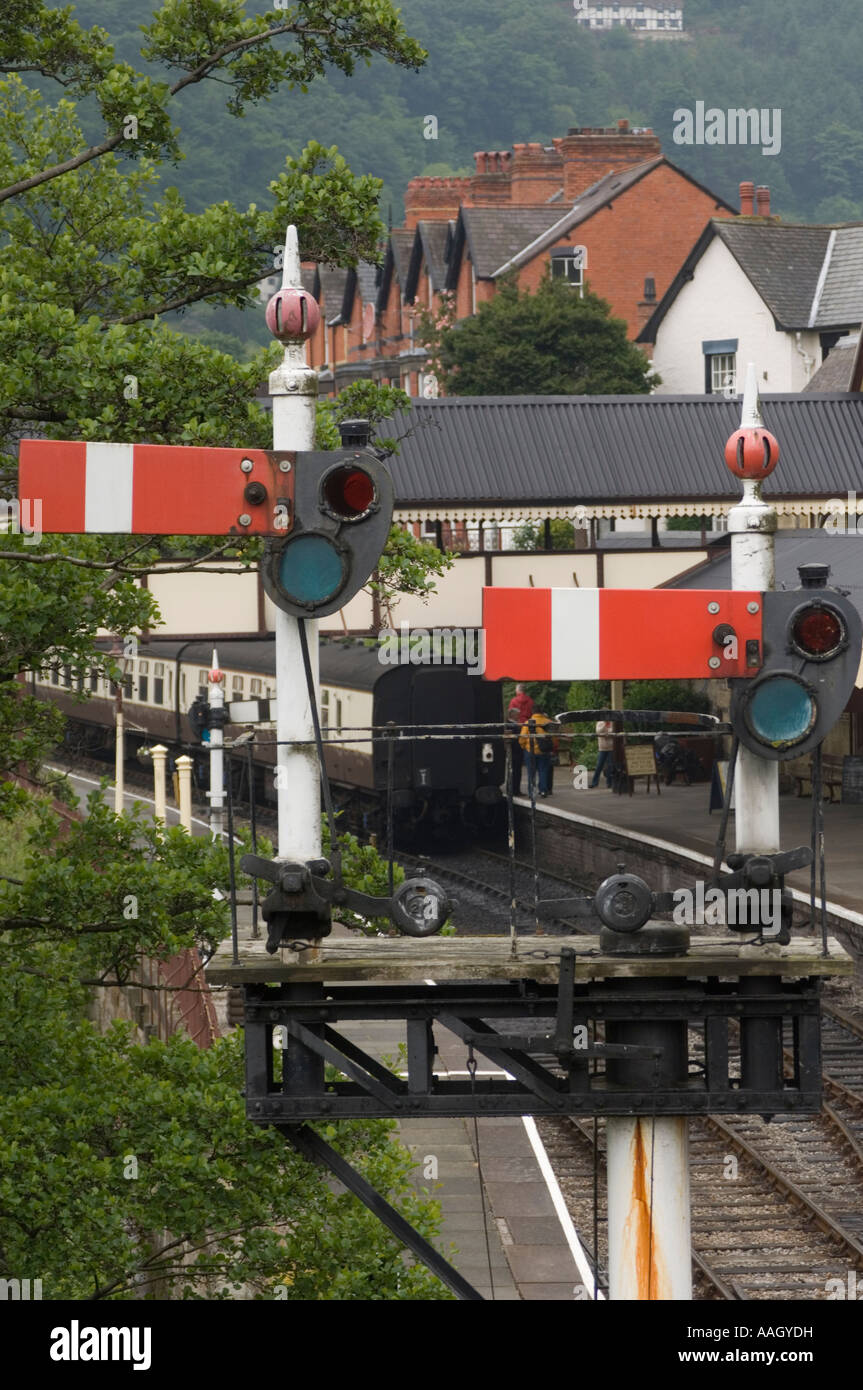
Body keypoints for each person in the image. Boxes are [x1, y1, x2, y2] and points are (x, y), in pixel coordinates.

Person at [519, 710, 559, 799]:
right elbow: (554, 737)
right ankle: (543, 791)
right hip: (544, 751)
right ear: (541, 712)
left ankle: (531, 792)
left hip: (530, 750)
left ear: (533, 712)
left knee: (531, 772)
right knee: (543, 771)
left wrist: (523, 746)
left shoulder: (527, 722)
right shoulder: (548, 722)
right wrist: (553, 747)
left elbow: (522, 737)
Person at [506, 684, 534, 796]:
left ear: (517, 690)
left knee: (513, 767)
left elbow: (510, 714)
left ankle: (511, 789)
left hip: (515, 732)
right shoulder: (530, 701)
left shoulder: (513, 701)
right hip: (526, 729)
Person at [591, 719, 614, 788]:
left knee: (610, 766)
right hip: (602, 748)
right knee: (599, 765)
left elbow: (613, 732)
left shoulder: (612, 722)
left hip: (611, 747)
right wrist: (605, 725)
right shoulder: (600, 723)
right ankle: (594, 783)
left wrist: (606, 733)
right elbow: (598, 731)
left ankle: (609, 783)